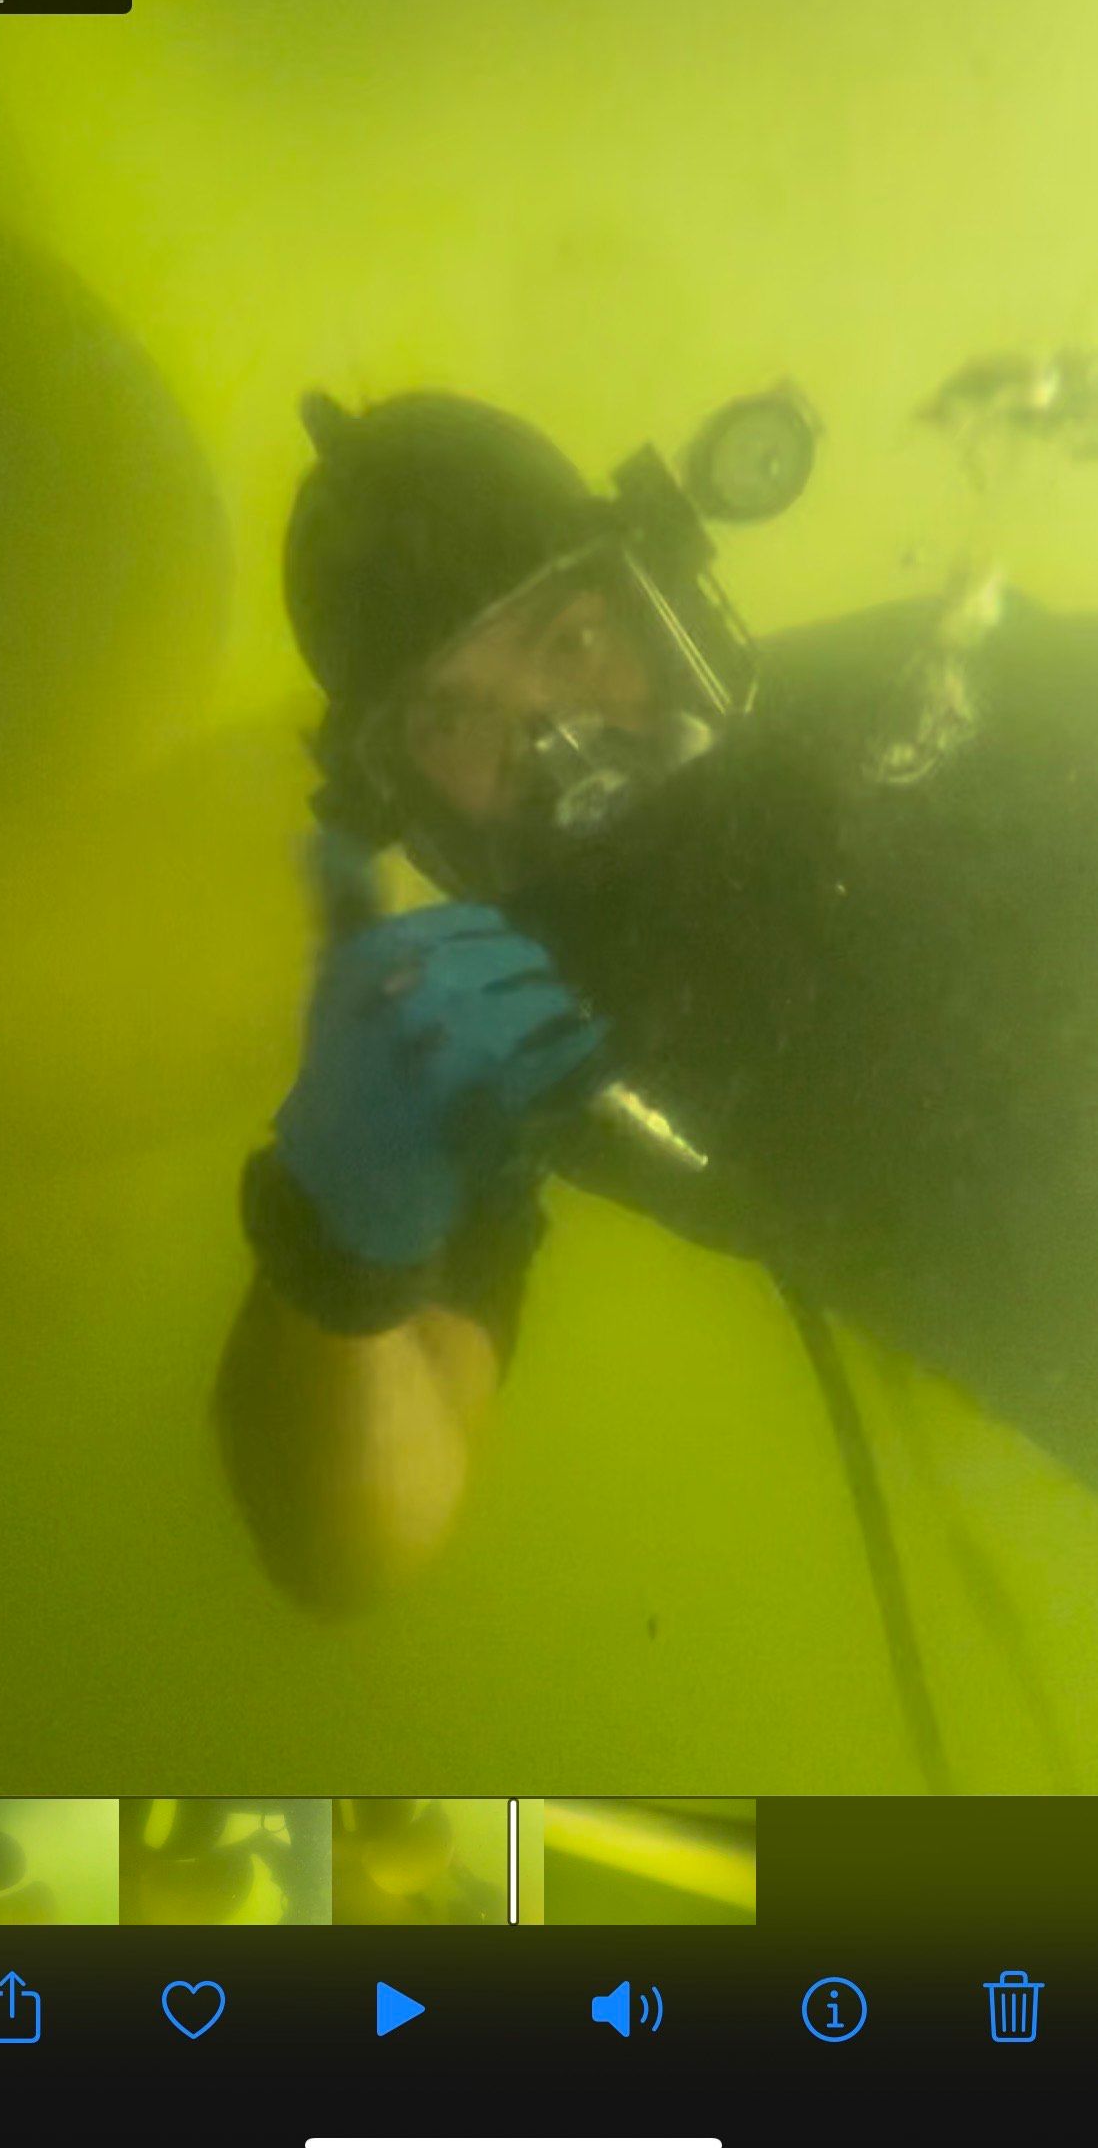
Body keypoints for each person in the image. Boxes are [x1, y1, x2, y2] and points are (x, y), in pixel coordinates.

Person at [215, 388, 1098, 1630]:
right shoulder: (508, 1025)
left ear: (669, 596)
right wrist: (333, 1242)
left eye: (573, 642)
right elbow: (351, 1551)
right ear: (399, 794)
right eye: (452, 717)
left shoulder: (956, 690)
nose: (553, 738)